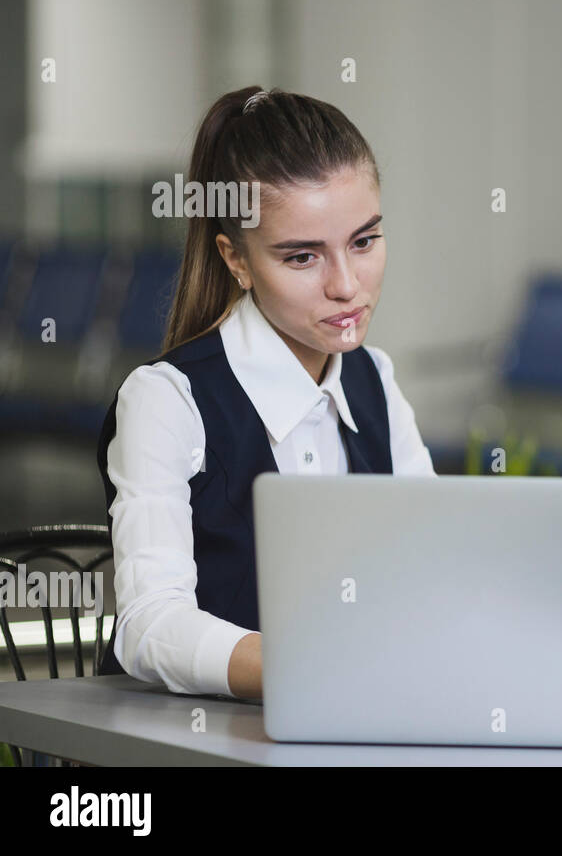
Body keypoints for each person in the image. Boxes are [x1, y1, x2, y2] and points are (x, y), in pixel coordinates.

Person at [96, 86, 435, 699]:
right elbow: (149, 625)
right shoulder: (167, 400)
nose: (346, 285)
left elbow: (432, 569)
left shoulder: (375, 381)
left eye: (364, 242)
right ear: (238, 260)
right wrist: (313, 670)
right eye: (303, 257)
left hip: (355, 724)